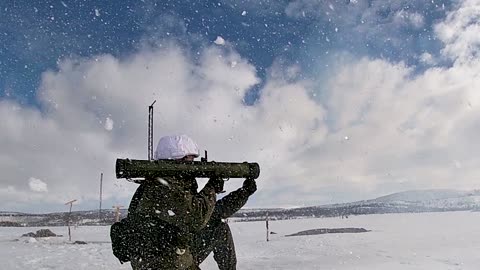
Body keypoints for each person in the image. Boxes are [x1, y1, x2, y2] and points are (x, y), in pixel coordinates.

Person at [128, 134, 257, 270]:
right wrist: (212, 187)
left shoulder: (172, 183)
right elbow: (197, 218)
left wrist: (243, 193)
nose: (194, 165)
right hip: (163, 263)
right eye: (190, 160)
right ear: (178, 159)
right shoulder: (162, 186)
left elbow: (213, 213)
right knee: (219, 230)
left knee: (219, 229)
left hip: (176, 254)